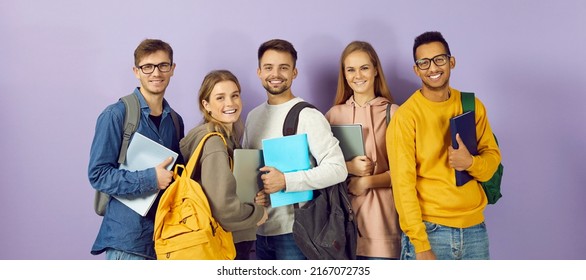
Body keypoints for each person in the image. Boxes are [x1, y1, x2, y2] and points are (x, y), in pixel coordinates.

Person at [386, 31, 501, 260]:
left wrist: (470, 162)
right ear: (416, 70)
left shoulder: (472, 105)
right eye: (424, 62)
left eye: (439, 59)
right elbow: (403, 186)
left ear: (451, 62)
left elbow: (491, 166)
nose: (433, 68)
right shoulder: (406, 117)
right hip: (431, 231)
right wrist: (420, 244)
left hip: (475, 230)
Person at [243, 39, 348, 260]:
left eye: (284, 67)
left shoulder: (308, 115)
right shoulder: (252, 117)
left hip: (295, 233)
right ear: (259, 72)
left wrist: (286, 181)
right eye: (269, 67)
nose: (276, 74)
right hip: (260, 230)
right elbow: (249, 173)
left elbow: (338, 168)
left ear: (294, 72)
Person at [88, 38, 184, 260]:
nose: (156, 73)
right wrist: (151, 178)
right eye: (147, 67)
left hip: (164, 241)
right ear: (136, 71)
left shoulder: (176, 121)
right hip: (127, 243)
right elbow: (98, 174)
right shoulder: (115, 115)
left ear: (172, 69)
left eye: (163, 66)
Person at [179, 70, 268, 260]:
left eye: (235, 95)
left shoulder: (229, 140)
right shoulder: (215, 143)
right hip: (225, 244)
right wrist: (257, 213)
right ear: (206, 105)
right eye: (220, 98)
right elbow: (224, 209)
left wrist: (252, 199)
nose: (230, 103)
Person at [325, 41, 401, 260]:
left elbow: (408, 174)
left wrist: (367, 182)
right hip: (340, 229)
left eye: (364, 68)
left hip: (383, 227)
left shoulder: (394, 114)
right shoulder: (332, 115)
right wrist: (348, 167)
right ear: (344, 75)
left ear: (376, 70)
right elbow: (318, 170)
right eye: (351, 69)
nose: (357, 75)